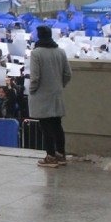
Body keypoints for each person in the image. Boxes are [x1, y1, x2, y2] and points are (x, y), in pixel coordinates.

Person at [29, 25, 72, 168]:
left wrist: (32, 90)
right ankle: (61, 154)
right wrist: (60, 85)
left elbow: (35, 77)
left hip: (42, 94)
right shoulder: (60, 51)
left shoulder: (36, 53)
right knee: (57, 125)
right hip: (56, 93)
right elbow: (68, 74)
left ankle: (50, 156)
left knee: (45, 125)